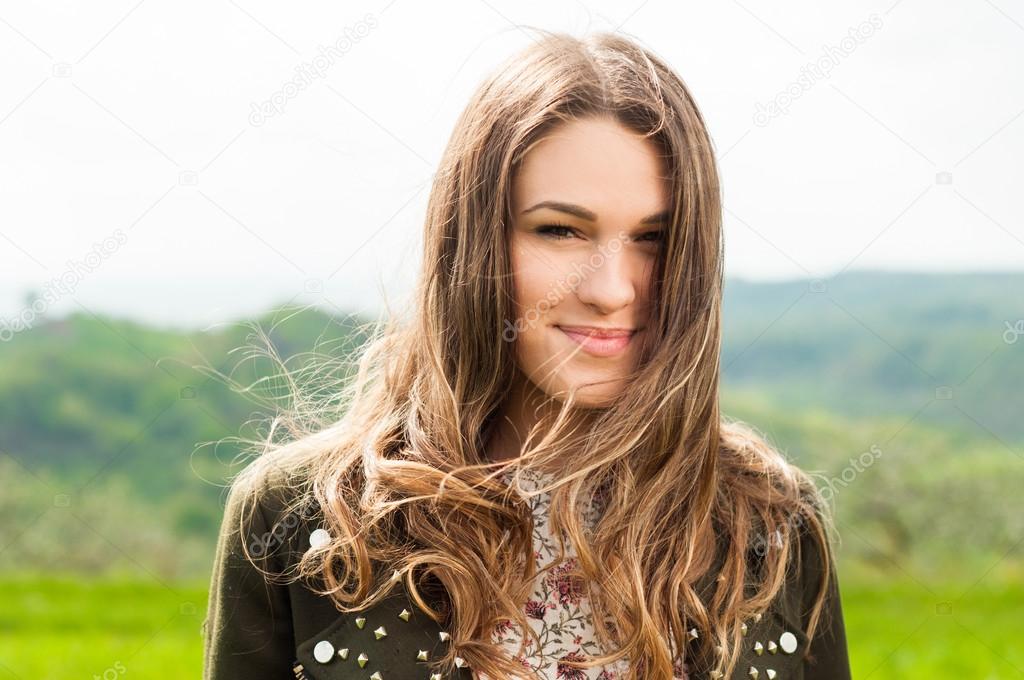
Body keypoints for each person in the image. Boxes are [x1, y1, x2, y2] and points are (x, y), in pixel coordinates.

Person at [203, 29, 852, 680]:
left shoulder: (767, 521)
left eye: (655, 238)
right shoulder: (300, 515)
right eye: (562, 230)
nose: (611, 289)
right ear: (476, 239)